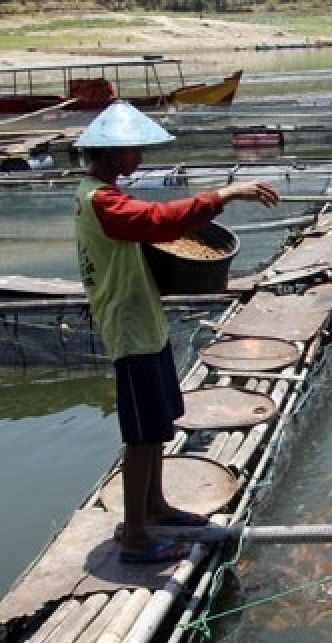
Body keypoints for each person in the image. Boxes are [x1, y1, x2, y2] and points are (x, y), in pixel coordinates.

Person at [75, 101, 280, 564]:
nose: (140, 159)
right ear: (112, 154)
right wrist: (228, 193)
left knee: (155, 425)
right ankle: (137, 536)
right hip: (128, 326)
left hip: (142, 320)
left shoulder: (102, 193)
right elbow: (157, 221)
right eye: (134, 151)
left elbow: (148, 220)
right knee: (140, 434)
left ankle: (155, 506)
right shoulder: (101, 200)